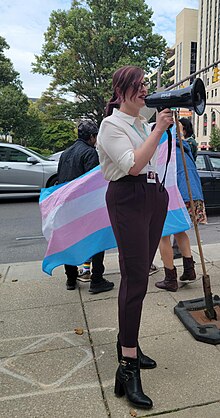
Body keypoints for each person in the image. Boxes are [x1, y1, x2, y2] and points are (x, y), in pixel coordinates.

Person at [97, 65, 173, 410]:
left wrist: (161, 130)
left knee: (142, 274)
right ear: (122, 89)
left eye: (145, 85)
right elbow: (132, 165)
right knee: (135, 278)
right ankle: (127, 367)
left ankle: (128, 344)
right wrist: (158, 130)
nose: (145, 91)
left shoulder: (141, 124)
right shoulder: (111, 125)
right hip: (128, 196)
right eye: (139, 86)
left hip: (152, 196)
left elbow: (152, 164)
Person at [57, 120, 114, 294]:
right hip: (84, 206)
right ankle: (97, 279)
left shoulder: (65, 153)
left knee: (70, 241)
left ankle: (71, 279)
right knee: (97, 241)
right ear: (91, 137)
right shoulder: (89, 153)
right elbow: (93, 183)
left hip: (66, 205)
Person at [155, 119, 207, 292]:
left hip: (175, 194)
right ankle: (189, 271)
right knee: (180, 231)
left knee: (163, 235)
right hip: (193, 194)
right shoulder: (184, 146)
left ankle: (170, 278)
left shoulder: (163, 147)